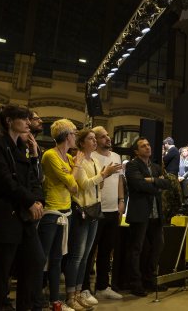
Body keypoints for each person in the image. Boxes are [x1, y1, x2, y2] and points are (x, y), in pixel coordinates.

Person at [0, 104, 45, 311]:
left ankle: (25, 307)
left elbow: (34, 180)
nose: (28, 123)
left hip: (23, 217)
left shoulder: (21, 149)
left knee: (35, 261)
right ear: (9, 121)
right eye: (24, 118)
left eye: (28, 118)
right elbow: (5, 181)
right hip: (4, 216)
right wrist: (30, 201)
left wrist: (38, 200)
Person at [64, 128, 121, 310]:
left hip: (95, 210)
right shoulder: (78, 160)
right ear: (81, 143)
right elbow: (85, 184)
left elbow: (98, 185)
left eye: (94, 139)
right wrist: (104, 174)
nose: (94, 141)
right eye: (91, 138)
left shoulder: (94, 160)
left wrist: (104, 175)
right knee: (78, 255)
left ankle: (80, 292)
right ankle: (71, 294)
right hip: (83, 210)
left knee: (87, 254)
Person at [35, 119, 79, 310]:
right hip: (51, 212)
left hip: (65, 212)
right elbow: (72, 183)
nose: (76, 136)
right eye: (74, 133)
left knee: (57, 259)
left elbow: (74, 187)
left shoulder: (68, 158)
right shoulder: (50, 156)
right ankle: (35, 298)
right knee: (42, 258)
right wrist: (77, 166)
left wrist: (73, 169)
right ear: (67, 135)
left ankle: (55, 301)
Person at [80, 126, 125, 301]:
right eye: (103, 136)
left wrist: (121, 200)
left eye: (108, 136)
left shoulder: (116, 156)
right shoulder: (91, 157)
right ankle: (83, 287)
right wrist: (105, 174)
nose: (108, 139)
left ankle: (102, 286)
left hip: (113, 209)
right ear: (95, 140)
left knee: (107, 249)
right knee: (89, 251)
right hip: (95, 209)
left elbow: (120, 179)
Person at [125, 137, 171, 297]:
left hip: (156, 214)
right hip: (140, 213)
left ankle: (150, 279)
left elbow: (167, 184)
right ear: (137, 151)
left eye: (148, 144)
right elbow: (138, 185)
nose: (147, 147)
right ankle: (135, 283)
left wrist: (152, 180)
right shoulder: (132, 166)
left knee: (158, 246)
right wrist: (157, 186)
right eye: (143, 146)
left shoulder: (157, 167)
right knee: (136, 249)